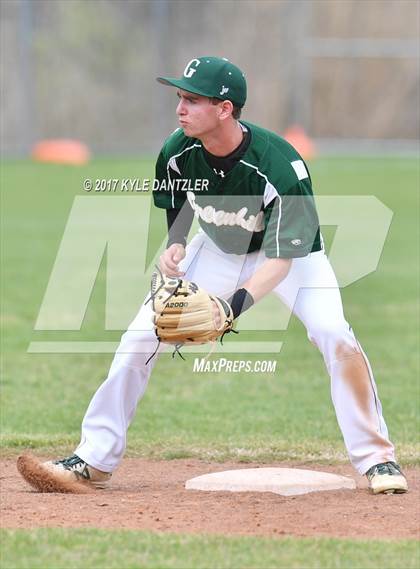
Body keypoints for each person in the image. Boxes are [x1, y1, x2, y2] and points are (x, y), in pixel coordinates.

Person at [19, 56, 407, 495]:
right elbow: (176, 203)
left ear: (225, 109)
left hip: (292, 257)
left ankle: (378, 460)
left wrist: (231, 306)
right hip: (219, 249)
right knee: (141, 336)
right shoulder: (176, 151)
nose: (180, 108)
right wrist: (176, 245)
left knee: (333, 333)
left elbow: (279, 263)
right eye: (180, 98)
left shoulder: (281, 166)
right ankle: (93, 459)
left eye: (193, 99)